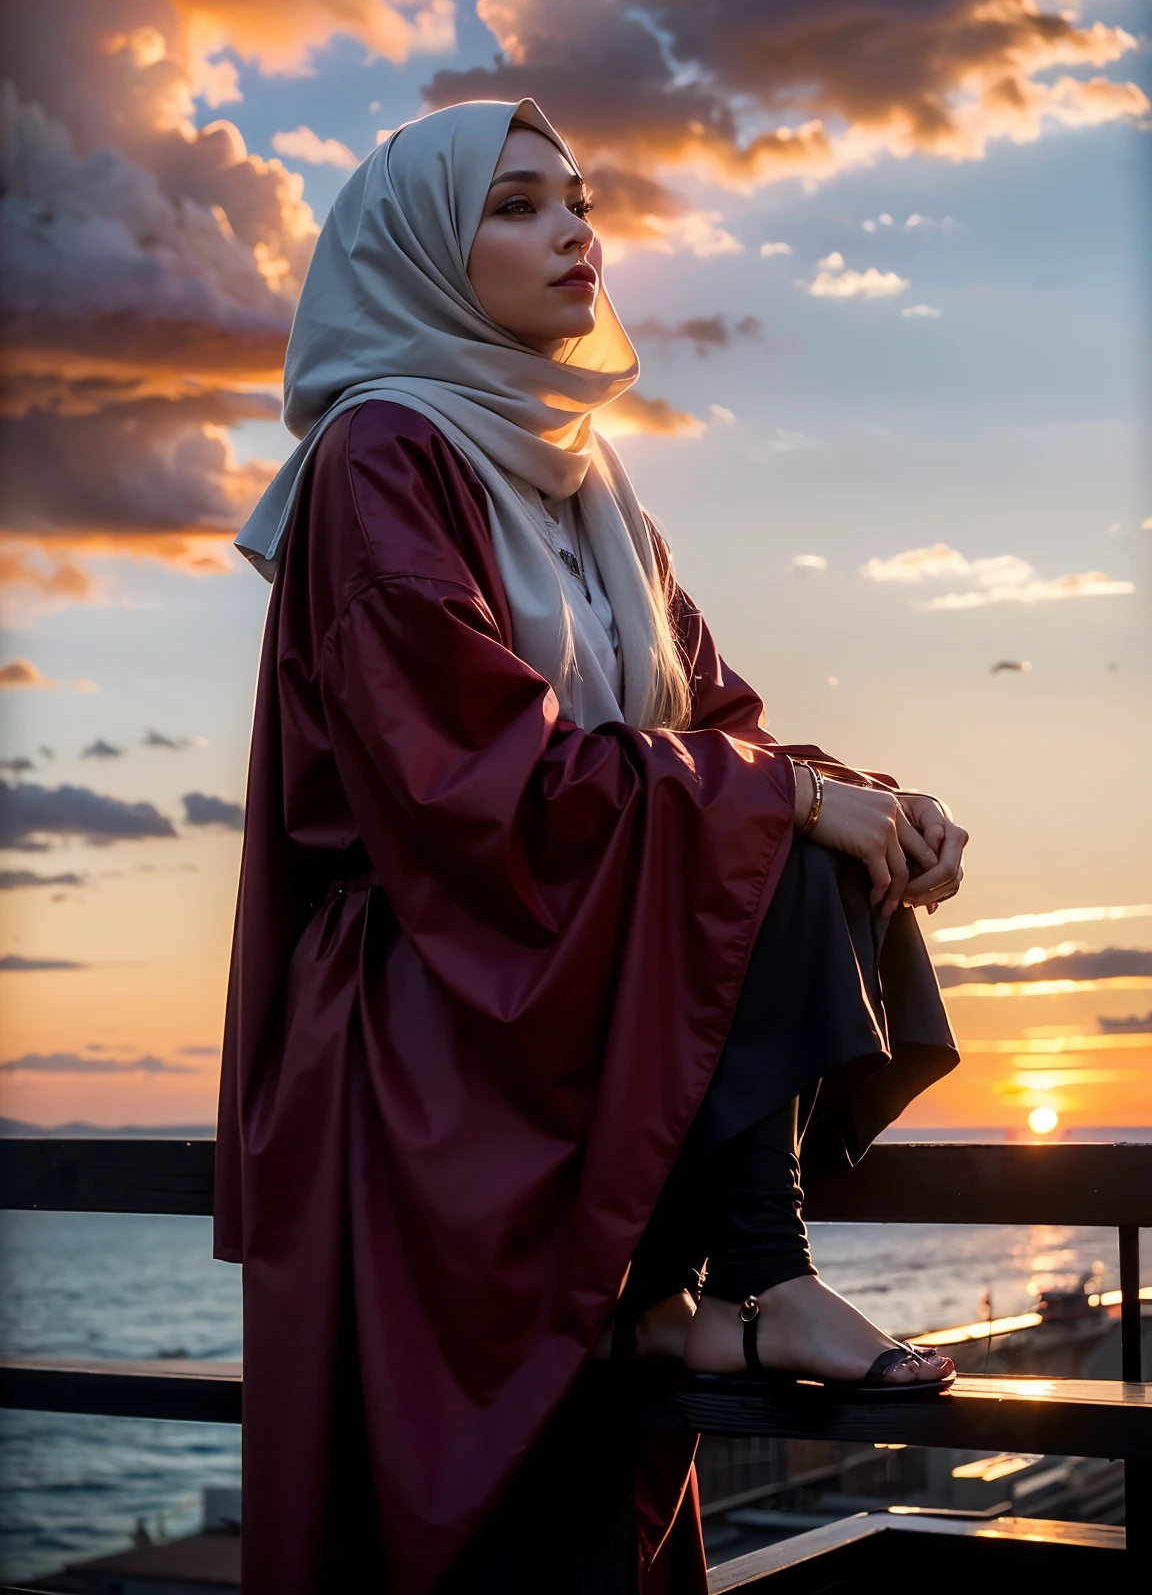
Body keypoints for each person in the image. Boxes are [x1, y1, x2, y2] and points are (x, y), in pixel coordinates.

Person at [215, 98, 966, 1595]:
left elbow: (719, 729)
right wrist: (787, 801)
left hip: (564, 974)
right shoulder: (383, 460)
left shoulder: (588, 479)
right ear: (422, 251)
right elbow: (466, 783)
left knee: (785, 825)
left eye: (579, 196)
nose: (574, 229)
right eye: (515, 205)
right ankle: (761, 1278)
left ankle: (704, 1286)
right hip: (436, 998)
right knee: (503, 1536)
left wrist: (867, 799)